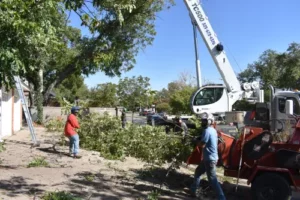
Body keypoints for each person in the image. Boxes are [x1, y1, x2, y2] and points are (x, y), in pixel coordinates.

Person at [190, 112, 226, 200]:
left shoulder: (207, 130)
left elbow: (202, 144)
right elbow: (207, 139)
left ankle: (222, 198)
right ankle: (194, 191)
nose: (203, 122)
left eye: (204, 121)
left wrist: (195, 141)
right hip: (209, 158)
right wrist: (199, 138)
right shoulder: (212, 130)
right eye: (202, 120)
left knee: (213, 180)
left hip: (209, 159)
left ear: (210, 121)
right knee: (198, 172)